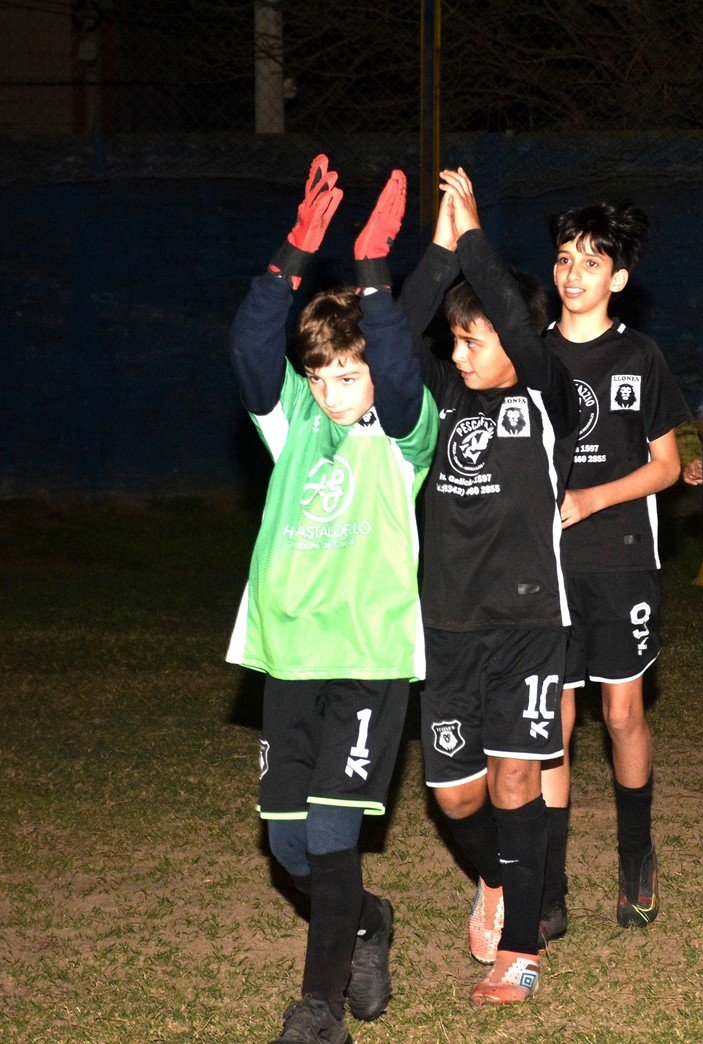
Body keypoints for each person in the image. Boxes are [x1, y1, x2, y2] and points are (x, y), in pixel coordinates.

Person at [226, 160, 435, 1044]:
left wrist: (375, 269)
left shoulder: (402, 437)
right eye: (318, 377)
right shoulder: (294, 424)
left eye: (344, 377)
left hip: (367, 661)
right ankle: (366, 922)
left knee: (332, 834)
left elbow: (390, 358)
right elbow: (248, 348)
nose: (328, 392)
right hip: (289, 656)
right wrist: (294, 251)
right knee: (289, 847)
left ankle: (317, 1011)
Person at [411, 168, 578, 1005]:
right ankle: (499, 879)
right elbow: (401, 335)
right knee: (452, 791)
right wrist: (441, 251)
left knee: (517, 779)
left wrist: (475, 233)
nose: (461, 352)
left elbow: (513, 318)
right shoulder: (441, 396)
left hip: (527, 624)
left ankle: (521, 952)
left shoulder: (550, 397)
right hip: (444, 624)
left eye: (474, 340)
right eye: (460, 340)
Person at [534, 201, 689, 937]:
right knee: (553, 725)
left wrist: (591, 497)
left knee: (622, 711)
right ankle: (550, 881)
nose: (574, 273)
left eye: (591, 262)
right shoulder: (528, 354)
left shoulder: (640, 357)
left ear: (617, 278)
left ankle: (635, 858)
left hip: (620, 557)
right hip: (544, 566)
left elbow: (667, 467)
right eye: (565, 258)